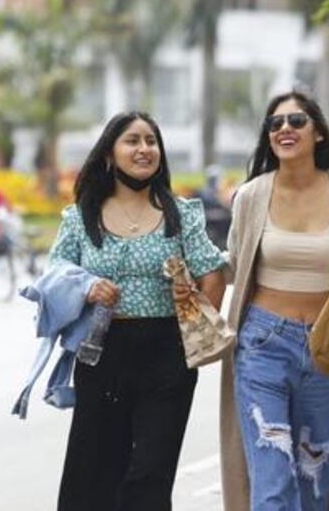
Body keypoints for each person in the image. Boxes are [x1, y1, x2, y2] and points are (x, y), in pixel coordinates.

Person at [50, 111, 226, 510]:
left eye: (151, 141)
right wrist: (88, 286)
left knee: (149, 473)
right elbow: (55, 273)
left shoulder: (180, 215)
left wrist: (191, 338)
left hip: (167, 354)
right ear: (110, 153)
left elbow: (213, 273)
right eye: (133, 140)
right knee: (95, 472)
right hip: (102, 352)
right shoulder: (81, 217)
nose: (144, 149)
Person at [220, 91, 329, 511]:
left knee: (315, 480)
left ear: (319, 133)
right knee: (272, 485)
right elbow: (235, 264)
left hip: (327, 350)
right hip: (262, 345)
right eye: (275, 124)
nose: (285, 129)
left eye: (296, 121)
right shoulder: (252, 195)